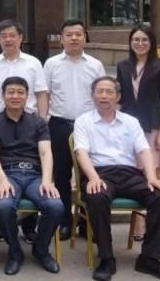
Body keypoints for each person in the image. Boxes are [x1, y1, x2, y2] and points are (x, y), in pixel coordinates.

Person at [73, 76, 160, 281]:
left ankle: (149, 259)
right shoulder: (83, 121)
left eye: (109, 92)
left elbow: (144, 150)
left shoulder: (130, 121)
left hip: (129, 173)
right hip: (100, 173)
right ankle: (106, 258)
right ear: (93, 95)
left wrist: (152, 177)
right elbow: (81, 152)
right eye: (99, 91)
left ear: (118, 96)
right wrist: (93, 177)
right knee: (97, 196)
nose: (104, 96)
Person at [0, 76, 63, 276]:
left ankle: (41, 249)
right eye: (11, 92)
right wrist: (2, 180)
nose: (15, 96)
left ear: (27, 96)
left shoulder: (38, 122)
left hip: (35, 175)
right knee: (3, 205)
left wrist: (47, 181)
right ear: (3, 96)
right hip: (8, 174)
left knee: (55, 206)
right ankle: (15, 252)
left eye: (20, 92)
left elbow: (45, 152)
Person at [0, 19, 48, 243]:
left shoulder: (33, 63)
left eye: (12, 35)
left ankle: (29, 227)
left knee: (33, 170)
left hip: (29, 124)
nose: (8, 39)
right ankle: (4, 224)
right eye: (4, 36)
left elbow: (41, 93)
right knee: (1, 172)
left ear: (20, 38)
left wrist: (42, 120)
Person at [43, 19, 105, 240]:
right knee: (61, 174)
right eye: (69, 34)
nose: (74, 38)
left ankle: (87, 222)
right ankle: (64, 221)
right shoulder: (51, 64)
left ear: (85, 37)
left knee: (87, 174)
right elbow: (45, 94)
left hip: (88, 126)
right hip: (59, 124)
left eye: (78, 34)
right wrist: (43, 122)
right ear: (62, 39)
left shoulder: (95, 65)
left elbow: (102, 94)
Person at [116, 25, 160, 241]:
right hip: (130, 127)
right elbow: (120, 99)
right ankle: (139, 224)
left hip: (154, 126)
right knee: (136, 175)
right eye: (136, 39)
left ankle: (155, 223)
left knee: (156, 175)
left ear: (151, 43)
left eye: (144, 40)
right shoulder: (123, 66)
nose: (140, 43)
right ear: (130, 42)